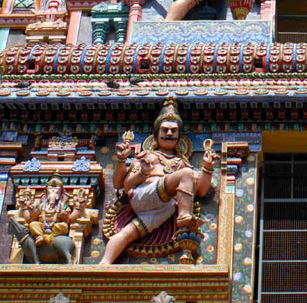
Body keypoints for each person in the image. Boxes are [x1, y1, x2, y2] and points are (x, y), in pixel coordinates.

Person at [99, 100, 219, 264]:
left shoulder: (181, 162)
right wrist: (141, 171)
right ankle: (185, 218)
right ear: (156, 134)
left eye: (173, 130)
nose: (169, 133)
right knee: (186, 174)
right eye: (165, 130)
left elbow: (201, 191)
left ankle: (104, 263)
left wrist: (208, 168)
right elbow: (124, 185)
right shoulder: (148, 157)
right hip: (144, 195)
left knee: (127, 234)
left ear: (179, 137)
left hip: (164, 208)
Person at [21, 177, 85, 247]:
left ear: (61, 194)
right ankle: (39, 236)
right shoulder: (41, 206)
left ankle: (45, 238)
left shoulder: (62, 206)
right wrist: (32, 211)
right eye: (50, 188)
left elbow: (70, 219)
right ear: (45, 193)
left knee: (64, 226)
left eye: (57, 188)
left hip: (55, 228)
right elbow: (31, 219)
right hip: (42, 227)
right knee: (33, 224)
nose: (53, 191)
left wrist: (77, 208)